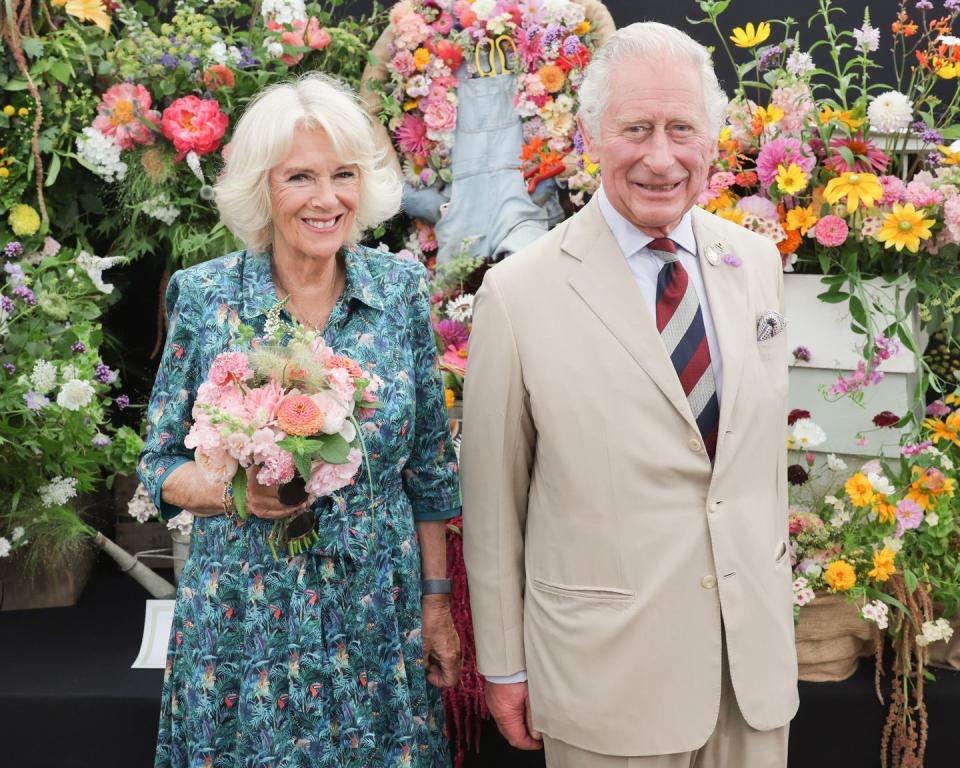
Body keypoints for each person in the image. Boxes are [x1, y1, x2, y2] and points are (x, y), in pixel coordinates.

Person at [461, 22, 798, 768]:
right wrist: (506, 665)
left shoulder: (757, 263)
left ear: (713, 138)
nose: (660, 156)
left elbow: (751, 464)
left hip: (752, 675)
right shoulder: (518, 295)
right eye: (635, 128)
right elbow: (491, 504)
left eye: (682, 128)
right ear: (590, 136)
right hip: (604, 681)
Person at [137, 73, 462, 768]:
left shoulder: (399, 290)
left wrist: (437, 606)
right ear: (261, 188)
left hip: (380, 613)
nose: (327, 199)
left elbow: (430, 466)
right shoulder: (205, 297)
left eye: (344, 175)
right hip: (245, 622)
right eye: (300, 178)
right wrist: (234, 494)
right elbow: (159, 462)